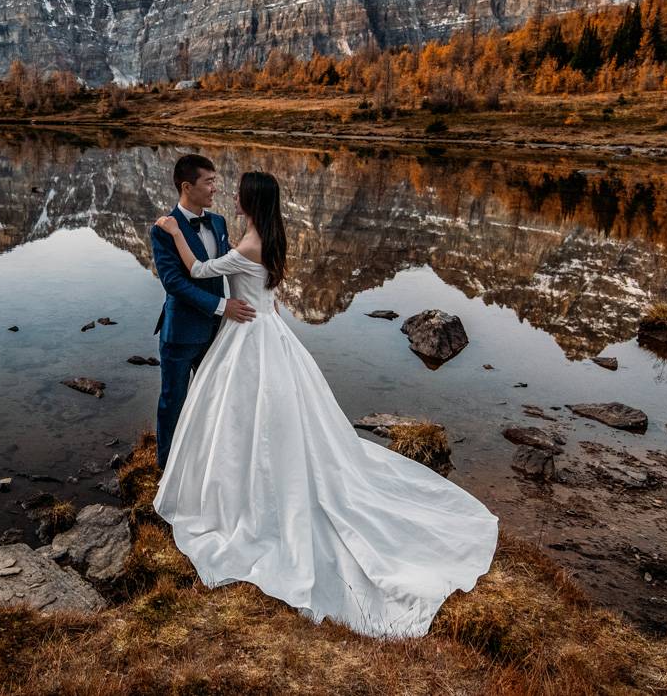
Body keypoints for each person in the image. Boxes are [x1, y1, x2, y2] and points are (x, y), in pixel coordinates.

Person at [150, 170, 499, 639]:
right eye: (218, 184)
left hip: (246, 336)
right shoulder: (270, 237)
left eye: (236, 191)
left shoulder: (246, 245)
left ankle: (240, 491)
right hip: (269, 331)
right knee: (278, 417)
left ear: (250, 200)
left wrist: (175, 232)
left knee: (242, 416)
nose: (227, 193)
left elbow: (196, 271)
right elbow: (261, 292)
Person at [150, 154, 256, 470]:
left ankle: (210, 462)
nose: (215, 188)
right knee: (173, 401)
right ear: (187, 186)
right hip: (181, 332)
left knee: (215, 398)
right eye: (208, 182)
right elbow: (174, 284)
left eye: (214, 181)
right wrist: (223, 307)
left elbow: (225, 267)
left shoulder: (219, 222)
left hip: (216, 334)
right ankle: (166, 466)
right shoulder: (163, 230)